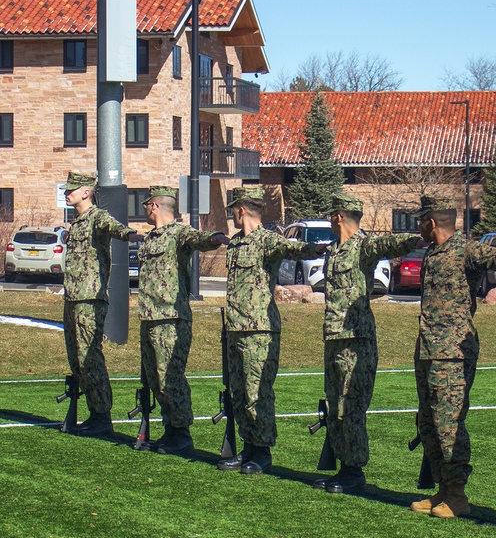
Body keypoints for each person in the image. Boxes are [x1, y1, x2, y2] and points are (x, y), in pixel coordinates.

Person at [409, 195, 496, 518]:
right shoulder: (433, 253)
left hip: (454, 352)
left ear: (432, 223)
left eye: (421, 221)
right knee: (428, 423)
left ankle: (457, 495)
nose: (419, 227)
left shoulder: (466, 249)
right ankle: (443, 488)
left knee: (448, 423)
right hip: (429, 349)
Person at [312, 191, 420, 494]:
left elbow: (389, 244)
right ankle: (342, 464)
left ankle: (354, 469)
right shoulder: (333, 250)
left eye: (330, 215)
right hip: (334, 335)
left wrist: (416, 238)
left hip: (355, 339)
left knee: (351, 406)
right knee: (335, 405)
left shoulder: (363, 246)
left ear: (338, 217)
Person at [217, 187, 324, 475]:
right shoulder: (236, 244)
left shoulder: (267, 241)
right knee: (239, 393)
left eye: (233, 212)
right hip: (235, 328)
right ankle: (247, 447)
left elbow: (292, 248)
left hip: (259, 330)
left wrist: (315, 249)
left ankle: (261, 450)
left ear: (241, 211)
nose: (232, 217)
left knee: (257, 392)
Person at [136, 186, 229, 455]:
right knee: (155, 378)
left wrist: (215, 238)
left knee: (170, 377)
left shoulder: (178, 233)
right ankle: (170, 429)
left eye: (146, 205)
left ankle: (181, 433)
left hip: (171, 318)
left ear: (154, 206)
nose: (144, 209)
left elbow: (198, 237)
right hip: (150, 316)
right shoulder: (151, 238)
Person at [62, 171, 142, 437]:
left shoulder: (96, 217)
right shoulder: (76, 222)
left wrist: (129, 234)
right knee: (76, 358)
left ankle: (101, 415)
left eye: (72, 189)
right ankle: (93, 411)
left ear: (86, 192)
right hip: (73, 297)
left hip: (90, 299)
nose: (67, 193)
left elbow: (113, 226)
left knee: (90, 357)